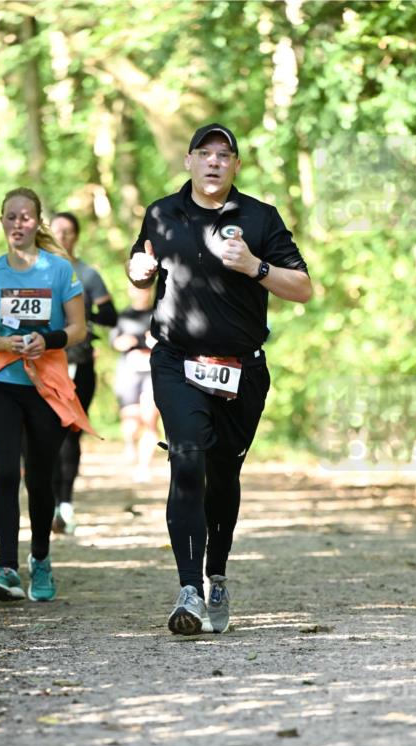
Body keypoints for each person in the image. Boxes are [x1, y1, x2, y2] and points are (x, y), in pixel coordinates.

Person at [127, 123, 312, 636]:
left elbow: (303, 287)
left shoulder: (260, 218)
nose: (213, 162)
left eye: (223, 154)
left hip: (242, 369)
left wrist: (256, 267)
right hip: (176, 360)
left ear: (235, 164)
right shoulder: (163, 213)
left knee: (224, 474)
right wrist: (137, 272)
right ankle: (188, 591)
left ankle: (216, 576)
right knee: (186, 455)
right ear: (188, 161)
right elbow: (142, 266)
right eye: (203, 153)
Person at [0, 187, 94, 603]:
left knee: (40, 480)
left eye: (25, 217)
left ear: (36, 223)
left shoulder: (59, 271)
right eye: (10, 217)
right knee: (5, 473)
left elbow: (80, 328)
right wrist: (8, 345)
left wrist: (47, 339)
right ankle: (6, 568)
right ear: (1, 221)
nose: (17, 224)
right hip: (4, 384)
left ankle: (40, 558)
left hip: (46, 387)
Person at [49, 212, 117, 534]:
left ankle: (65, 504)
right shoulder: (33, 272)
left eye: (68, 231)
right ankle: (45, 501)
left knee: (69, 432)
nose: (62, 236)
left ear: (76, 236)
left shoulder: (87, 273)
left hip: (78, 363)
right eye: (57, 230)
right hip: (39, 366)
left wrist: (80, 314)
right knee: (38, 435)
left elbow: (110, 315)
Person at [110, 283, 159, 481]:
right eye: (137, 289)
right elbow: (115, 343)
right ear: (130, 291)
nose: (141, 293)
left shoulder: (159, 315)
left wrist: (154, 344)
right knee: (131, 421)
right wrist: (125, 342)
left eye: (145, 289)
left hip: (152, 372)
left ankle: (143, 466)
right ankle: (130, 443)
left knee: (149, 419)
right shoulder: (123, 316)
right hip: (128, 372)